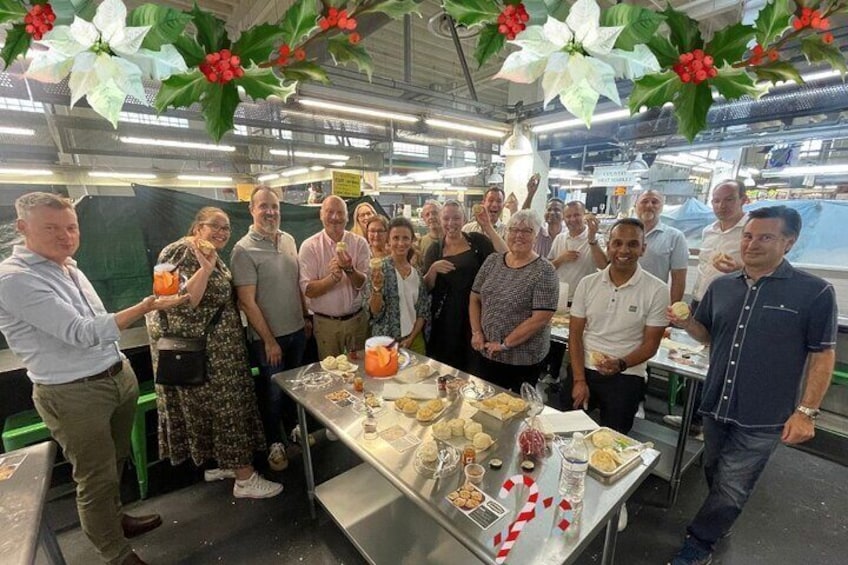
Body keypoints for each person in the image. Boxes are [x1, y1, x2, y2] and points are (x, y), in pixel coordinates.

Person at [0, 192, 187, 565]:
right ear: (23, 228)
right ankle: (114, 551)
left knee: (113, 462)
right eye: (51, 228)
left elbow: (97, 324)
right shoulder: (13, 279)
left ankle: (113, 520)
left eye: (71, 227)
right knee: (94, 477)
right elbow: (81, 331)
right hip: (73, 393)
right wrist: (146, 306)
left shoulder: (69, 267)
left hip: (115, 377)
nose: (65, 236)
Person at [667, 206, 837, 565]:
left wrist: (806, 412)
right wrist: (685, 324)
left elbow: (822, 355)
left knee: (731, 483)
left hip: (764, 414)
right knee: (716, 472)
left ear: (788, 243)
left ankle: (699, 544)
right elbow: (707, 333)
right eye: (748, 235)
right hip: (715, 403)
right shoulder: (721, 286)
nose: (752, 243)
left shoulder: (815, 293)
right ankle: (721, 517)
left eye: (765, 237)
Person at [147, 207, 283, 499]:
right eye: (215, 227)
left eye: (226, 229)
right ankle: (245, 478)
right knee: (227, 412)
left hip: (221, 351)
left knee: (221, 412)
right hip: (207, 355)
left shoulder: (210, 254)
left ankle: (227, 464)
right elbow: (179, 302)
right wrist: (206, 270)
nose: (221, 233)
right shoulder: (179, 252)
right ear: (198, 226)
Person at [231, 186, 310, 472]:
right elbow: (247, 302)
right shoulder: (243, 250)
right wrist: (268, 340)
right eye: (263, 206)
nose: (270, 212)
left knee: (293, 389)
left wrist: (305, 317)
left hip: (297, 331)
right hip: (268, 340)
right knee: (272, 392)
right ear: (251, 209)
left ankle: (292, 429)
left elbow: (296, 284)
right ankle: (274, 443)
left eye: (275, 206)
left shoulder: (288, 240)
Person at [664, 180, 749, 436]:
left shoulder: (750, 231)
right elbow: (704, 269)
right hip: (702, 300)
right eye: (716, 200)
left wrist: (739, 269)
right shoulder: (709, 231)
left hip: (732, 304)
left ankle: (712, 421)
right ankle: (693, 418)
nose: (721, 206)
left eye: (728, 199)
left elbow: (765, 269)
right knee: (696, 359)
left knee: (721, 360)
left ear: (744, 200)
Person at [569, 218, 668, 433]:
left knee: (613, 441)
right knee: (566, 435)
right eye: (618, 243)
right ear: (608, 245)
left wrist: (621, 363)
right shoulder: (588, 284)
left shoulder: (657, 290)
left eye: (633, 244)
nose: (624, 250)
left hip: (627, 374)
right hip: (584, 368)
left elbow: (651, 344)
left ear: (643, 248)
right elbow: (575, 335)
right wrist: (578, 379)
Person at [469, 210, 559, 393]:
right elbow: (474, 297)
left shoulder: (544, 271)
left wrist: (504, 344)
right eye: (514, 229)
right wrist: (476, 332)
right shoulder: (492, 261)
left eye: (527, 231)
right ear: (506, 233)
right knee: (485, 403)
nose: (519, 235)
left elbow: (540, 318)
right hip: (485, 351)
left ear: (536, 236)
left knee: (517, 412)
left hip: (522, 360)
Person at [423, 201, 494, 373]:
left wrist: (488, 228)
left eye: (456, 218)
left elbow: (504, 256)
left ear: (464, 219)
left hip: (476, 316)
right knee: (444, 368)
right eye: (446, 218)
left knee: (473, 367)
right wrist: (433, 270)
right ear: (440, 220)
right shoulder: (435, 249)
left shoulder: (478, 242)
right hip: (445, 319)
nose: (451, 223)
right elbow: (425, 288)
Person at [299, 195, 370, 358]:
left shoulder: (360, 243)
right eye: (330, 212)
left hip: (357, 322)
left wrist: (349, 269)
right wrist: (332, 278)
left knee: (360, 371)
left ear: (347, 217)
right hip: (326, 325)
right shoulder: (309, 247)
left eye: (340, 213)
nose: (335, 217)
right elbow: (308, 290)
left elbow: (365, 283)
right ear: (321, 215)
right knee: (331, 375)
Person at [368, 217, 431, 354]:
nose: (401, 243)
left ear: (412, 240)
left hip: (414, 341)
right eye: (395, 238)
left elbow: (422, 312)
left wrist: (411, 338)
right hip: (385, 343)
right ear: (388, 241)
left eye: (405, 238)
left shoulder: (416, 274)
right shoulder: (379, 270)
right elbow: (374, 311)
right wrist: (377, 289)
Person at [634, 189, 689, 303]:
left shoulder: (675, 237)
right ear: (636, 205)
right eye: (644, 201)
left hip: (653, 301)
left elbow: (678, 279)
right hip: (621, 299)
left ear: (662, 207)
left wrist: (673, 310)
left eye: (655, 202)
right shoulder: (622, 233)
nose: (649, 206)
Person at [549, 201, 608, 303]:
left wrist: (592, 239)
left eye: (576, 215)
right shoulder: (560, 238)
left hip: (585, 298)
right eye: (568, 216)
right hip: (560, 298)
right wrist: (561, 259)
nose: (572, 219)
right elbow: (548, 268)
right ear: (564, 218)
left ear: (584, 216)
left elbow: (603, 266)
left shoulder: (597, 238)